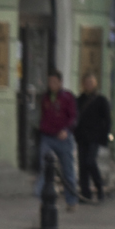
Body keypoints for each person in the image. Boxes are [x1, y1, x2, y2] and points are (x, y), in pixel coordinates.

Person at [34, 69, 78, 211]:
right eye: (49, 82)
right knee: (45, 167)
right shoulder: (45, 98)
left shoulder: (67, 97)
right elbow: (43, 115)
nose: (51, 84)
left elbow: (73, 117)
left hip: (63, 138)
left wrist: (67, 130)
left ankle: (71, 201)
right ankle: (43, 198)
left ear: (60, 83)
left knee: (67, 170)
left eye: (54, 82)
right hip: (48, 136)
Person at [74, 72, 111, 203]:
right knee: (83, 164)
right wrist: (76, 133)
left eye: (91, 82)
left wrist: (105, 136)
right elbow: (75, 118)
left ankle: (99, 187)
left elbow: (107, 119)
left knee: (90, 162)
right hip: (82, 137)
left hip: (95, 137)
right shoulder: (79, 100)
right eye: (86, 82)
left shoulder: (101, 100)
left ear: (95, 84)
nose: (89, 85)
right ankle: (85, 192)